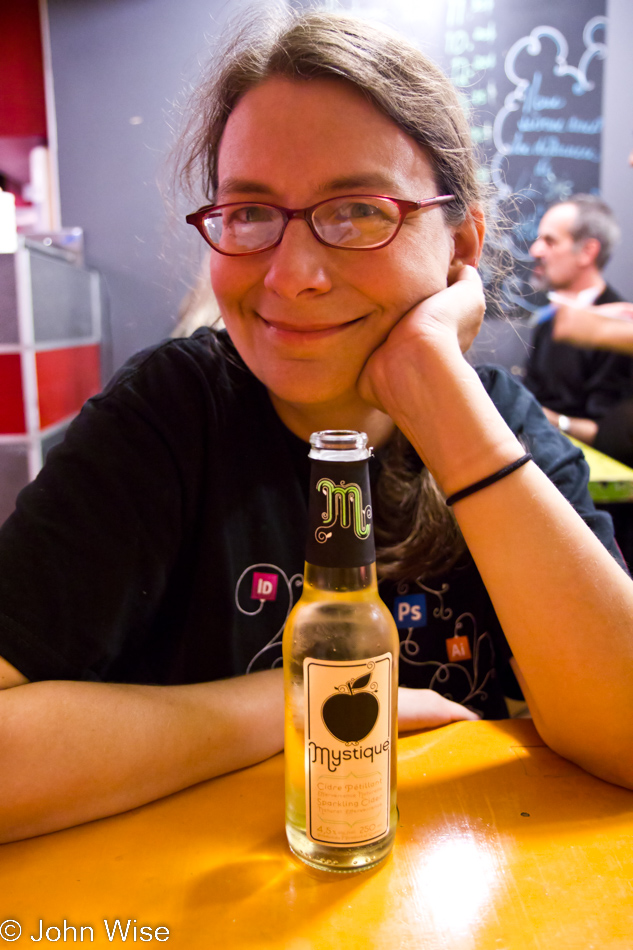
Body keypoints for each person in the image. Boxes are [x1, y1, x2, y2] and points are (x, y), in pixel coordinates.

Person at [1, 9, 633, 845]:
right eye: (251, 214)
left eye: (360, 210)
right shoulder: (173, 414)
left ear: (459, 247)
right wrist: (292, 699)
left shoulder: (495, 421)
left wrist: (436, 394)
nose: (292, 276)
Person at [523, 194, 632, 447]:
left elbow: (609, 431)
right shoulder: (546, 322)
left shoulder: (618, 331)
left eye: (550, 241)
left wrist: (546, 418)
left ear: (587, 251)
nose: (535, 250)